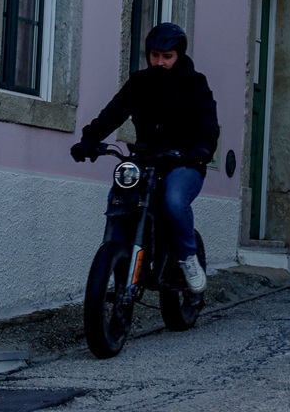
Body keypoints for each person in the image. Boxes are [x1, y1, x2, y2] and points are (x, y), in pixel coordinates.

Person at [70, 22, 219, 293]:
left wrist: (203, 149)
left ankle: (187, 258)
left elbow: (209, 121)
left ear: (179, 55)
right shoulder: (139, 82)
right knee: (121, 193)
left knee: (174, 200)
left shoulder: (195, 83)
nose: (159, 62)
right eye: (154, 55)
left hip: (184, 162)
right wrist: (88, 141)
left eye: (167, 57)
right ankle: (114, 255)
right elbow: (113, 112)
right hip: (146, 160)